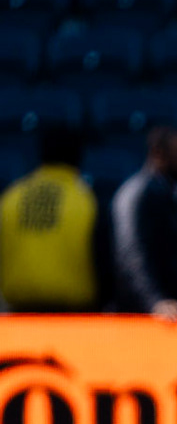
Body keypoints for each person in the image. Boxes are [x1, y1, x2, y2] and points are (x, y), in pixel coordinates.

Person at [0, 126, 111, 311]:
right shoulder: (86, 200)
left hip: (17, 315)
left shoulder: (11, 196)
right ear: (78, 158)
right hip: (72, 316)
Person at [112, 126, 177, 321]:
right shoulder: (137, 194)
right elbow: (132, 253)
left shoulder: (175, 195)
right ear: (158, 154)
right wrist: (154, 301)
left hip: (174, 313)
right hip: (144, 319)